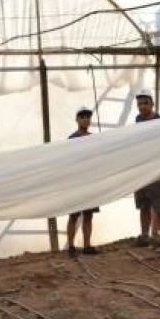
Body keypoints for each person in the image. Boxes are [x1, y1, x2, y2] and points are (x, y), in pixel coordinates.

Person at [133, 88, 160, 249]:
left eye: (145, 103)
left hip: (158, 170)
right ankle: (145, 235)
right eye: (140, 103)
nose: (142, 106)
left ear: (152, 104)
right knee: (144, 206)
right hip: (142, 170)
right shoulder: (138, 121)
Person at [65, 107, 100, 257]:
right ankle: (71, 246)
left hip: (91, 182)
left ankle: (86, 245)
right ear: (77, 119)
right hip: (76, 183)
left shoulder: (95, 139)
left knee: (88, 215)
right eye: (82, 116)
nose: (86, 119)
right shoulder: (71, 139)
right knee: (73, 215)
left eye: (88, 117)